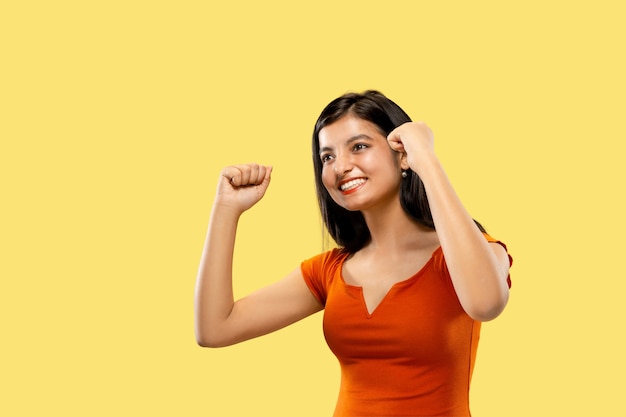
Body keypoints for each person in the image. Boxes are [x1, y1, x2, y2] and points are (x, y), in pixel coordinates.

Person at [194, 90, 513, 417]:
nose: (341, 167)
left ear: (402, 155)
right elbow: (214, 329)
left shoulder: (470, 255)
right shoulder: (330, 271)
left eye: (359, 146)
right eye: (327, 157)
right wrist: (225, 209)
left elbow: (486, 303)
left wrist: (427, 161)